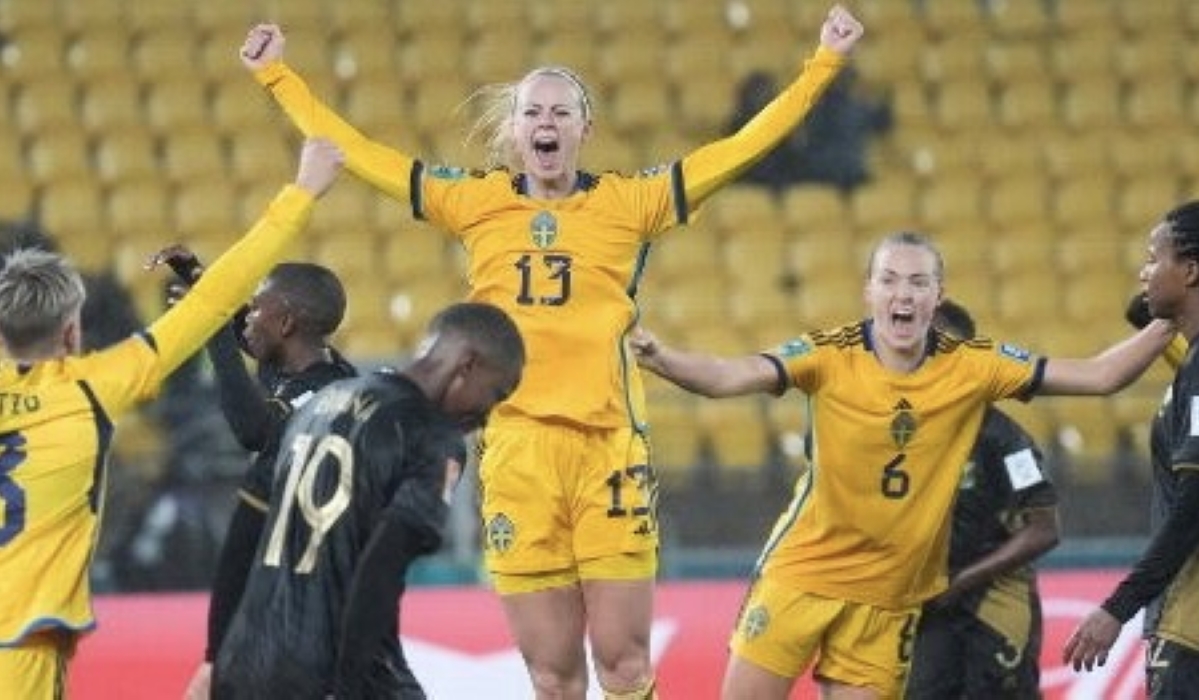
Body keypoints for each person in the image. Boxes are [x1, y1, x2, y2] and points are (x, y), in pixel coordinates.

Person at [236, 6, 864, 698]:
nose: (547, 123)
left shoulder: (632, 202)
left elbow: (742, 147)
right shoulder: (473, 200)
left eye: (562, 113)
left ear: (583, 130)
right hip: (517, 459)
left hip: (607, 454)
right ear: (515, 129)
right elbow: (358, 150)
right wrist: (275, 76)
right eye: (534, 111)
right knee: (552, 674)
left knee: (623, 663)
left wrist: (822, 64)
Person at [629, 230, 1175, 699]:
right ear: (869, 291)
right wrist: (662, 359)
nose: (903, 295)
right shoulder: (829, 354)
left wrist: (1172, 319)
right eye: (889, 280)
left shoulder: (973, 367)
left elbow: (1099, 376)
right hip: (800, 576)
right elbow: (729, 376)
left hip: (887, 600)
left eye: (918, 283)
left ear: (938, 296)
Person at [0, 137, 344, 699]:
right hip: (20, 638)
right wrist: (303, 191)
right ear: (71, 332)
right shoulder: (95, 384)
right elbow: (213, 300)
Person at [211, 301, 526, 700]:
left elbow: (243, 535)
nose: (487, 416)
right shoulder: (429, 438)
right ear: (467, 365)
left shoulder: (322, 401)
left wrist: (214, 658)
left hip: (245, 664)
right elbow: (381, 569)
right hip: (330, 669)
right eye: (496, 394)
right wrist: (347, 688)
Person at [148, 250, 358, 700]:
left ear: (284, 324)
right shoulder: (303, 358)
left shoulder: (326, 398)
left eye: (258, 306)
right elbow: (247, 329)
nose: (249, 317)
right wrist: (202, 281)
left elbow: (253, 430)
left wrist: (211, 330)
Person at [1064, 201, 1199, 697]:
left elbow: (1194, 504)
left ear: (1190, 270)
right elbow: (1135, 308)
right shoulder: (1192, 362)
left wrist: (1117, 608)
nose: (1143, 270)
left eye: (1153, 257)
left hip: (1192, 627)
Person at [906, 298, 1061, 699]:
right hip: (929, 605)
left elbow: (1044, 531)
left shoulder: (1004, 439)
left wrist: (960, 582)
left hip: (994, 600)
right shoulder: (902, 433)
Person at [726, 65, 891, 194]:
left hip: (816, 174)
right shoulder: (851, 109)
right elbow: (882, 123)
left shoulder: (817, 110)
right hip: (818, 175)